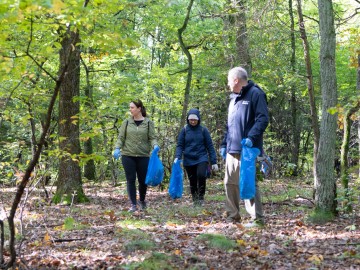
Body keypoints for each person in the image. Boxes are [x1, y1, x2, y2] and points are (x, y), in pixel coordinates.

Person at [220, 67, 269, 227]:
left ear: (236, 80)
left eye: (229, 80)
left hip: (248, 149)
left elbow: (263, 119)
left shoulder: (256, 94)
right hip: (232, 149)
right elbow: (229, 125)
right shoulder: (233, 99)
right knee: (230, 183)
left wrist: (251, 137)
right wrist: (223, 144)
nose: (227, 83)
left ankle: (257, 219)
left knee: (248, 182)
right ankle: (233, 217)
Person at [113, 100, 159, 212]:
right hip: (128, 155)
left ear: (139, 109)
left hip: (143, 156)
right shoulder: (127, 122)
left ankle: (142, 200)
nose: (130, 109)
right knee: (130, 179)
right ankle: (133, 204)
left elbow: (152, 137)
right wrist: (117, 148)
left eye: (132, 107)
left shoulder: (148, 123)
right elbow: (121, 137)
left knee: (143, 180)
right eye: (130, 107)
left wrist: (155, 145)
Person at [174, 108, 218, 206]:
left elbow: (210, 146)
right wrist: (177, 156)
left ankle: (201, 197)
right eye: (191, 120)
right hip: (188, 159)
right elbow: (180, 145)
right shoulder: (184, 130)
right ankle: (195, 200)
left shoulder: (203, 130)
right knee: (192, 180)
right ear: (188, 120)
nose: (193, 121)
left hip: (201, 157)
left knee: (201, 175)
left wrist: (214, 161)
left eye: (195, 120)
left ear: (198, 119)